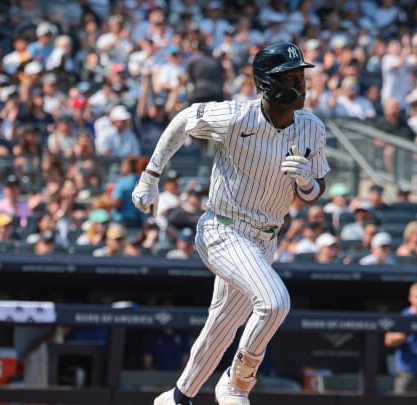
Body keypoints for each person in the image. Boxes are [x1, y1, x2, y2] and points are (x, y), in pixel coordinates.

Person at [132, 42, 328, 405]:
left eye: (301, 77)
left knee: (220, 327)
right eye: (289, 77)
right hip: (223, 228)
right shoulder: (237, 116)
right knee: (274, 303)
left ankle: (177, 397)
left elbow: (316, 192)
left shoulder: (311, 128)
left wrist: (308, 183)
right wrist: (150, 176)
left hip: (265, 240)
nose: (299, 85)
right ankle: (237, 382)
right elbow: (183, 121)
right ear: (265, 83)